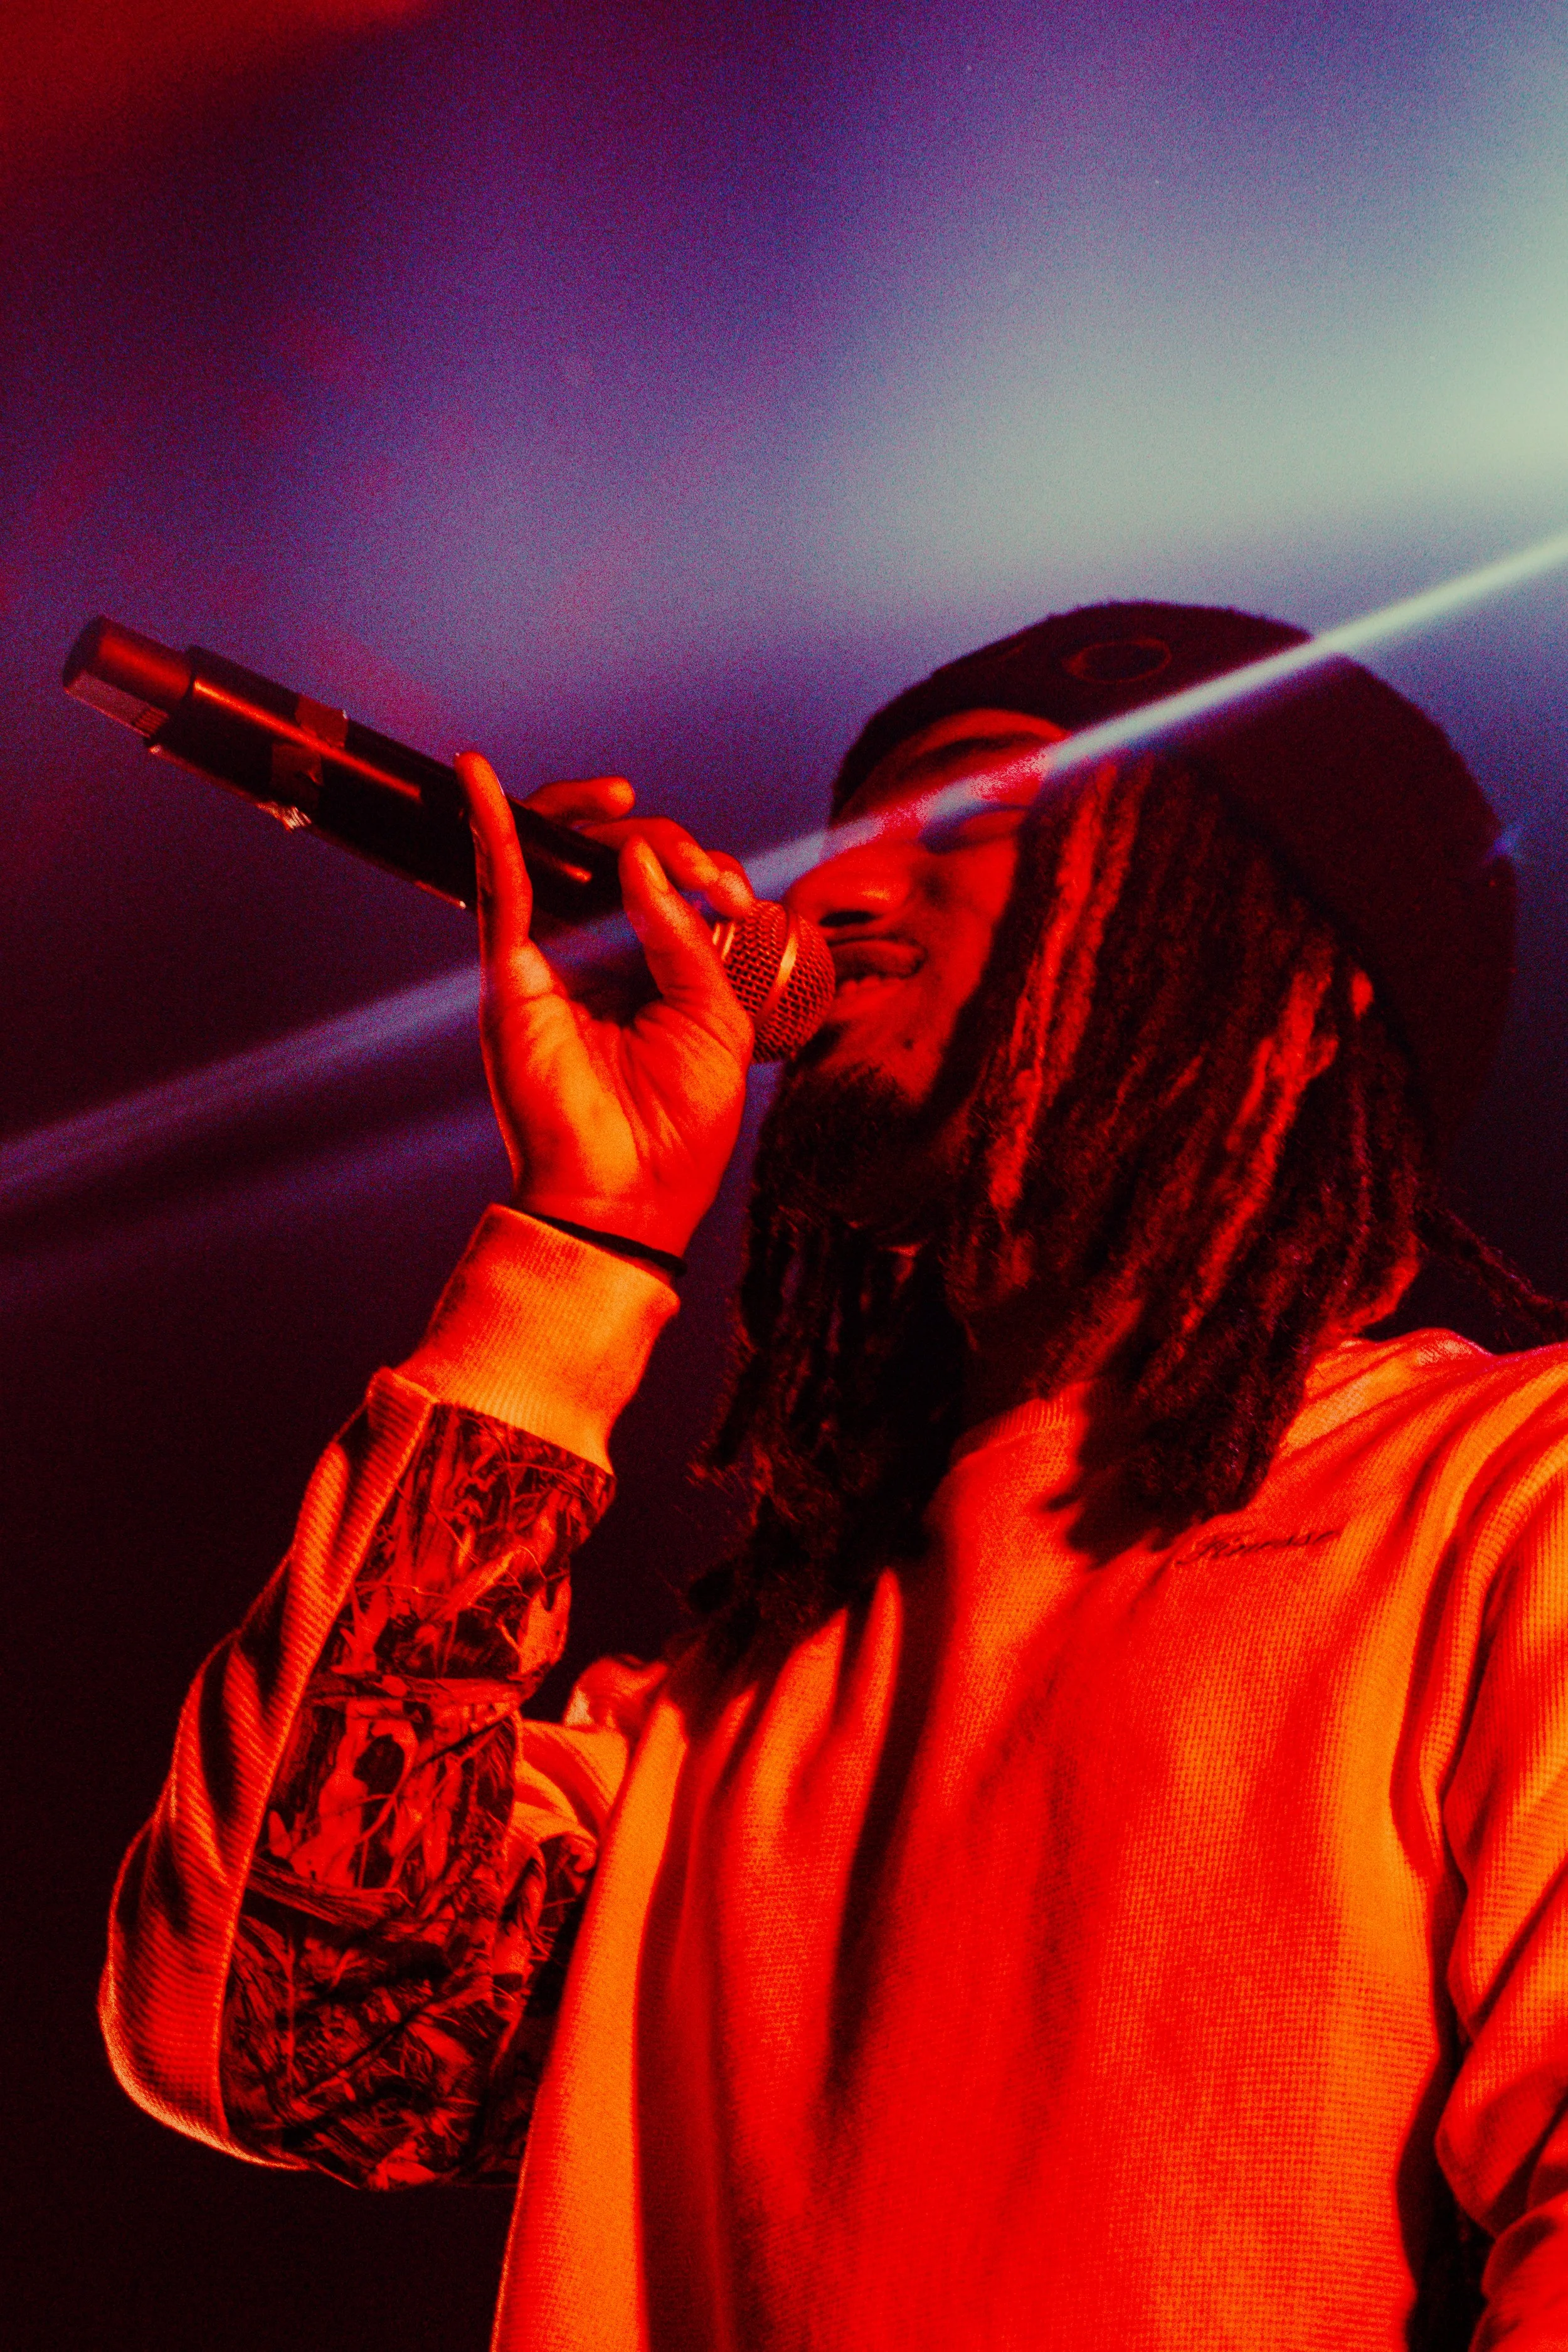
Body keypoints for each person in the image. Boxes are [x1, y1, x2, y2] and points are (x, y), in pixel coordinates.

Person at [102, 601, 1568, 2351]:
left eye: (973, 819)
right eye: (846, 837)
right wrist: (576, 1241)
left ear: (1295, 983)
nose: (830, 900)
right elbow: (281, 2034)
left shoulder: (1501, 1500)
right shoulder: (712, 1709)